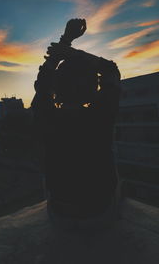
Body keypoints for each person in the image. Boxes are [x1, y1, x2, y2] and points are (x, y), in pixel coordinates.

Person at [31, 19, 121, 231]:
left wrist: (65, 42)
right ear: (93, 88)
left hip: (60, 213)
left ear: (57, 87)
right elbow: (111, 70)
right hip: (99, 212)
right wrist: (73, 52)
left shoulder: (45, 114)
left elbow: (42, 85)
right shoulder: (102, 115)